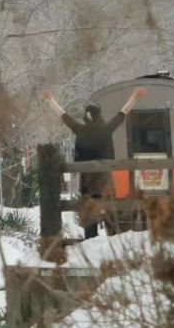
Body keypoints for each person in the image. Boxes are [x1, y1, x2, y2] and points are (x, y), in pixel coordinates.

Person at [42, 86, 147, 238]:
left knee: (89, 218)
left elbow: (63, 116)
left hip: (86, 183)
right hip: (105, 183)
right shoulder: (106, 129)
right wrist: (135, 97)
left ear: (86, 117)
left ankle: (90, 241)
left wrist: (50, 100)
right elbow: (123, 113)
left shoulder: (79, 129)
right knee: (111, 215)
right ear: (99, 116)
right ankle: (112, 241)